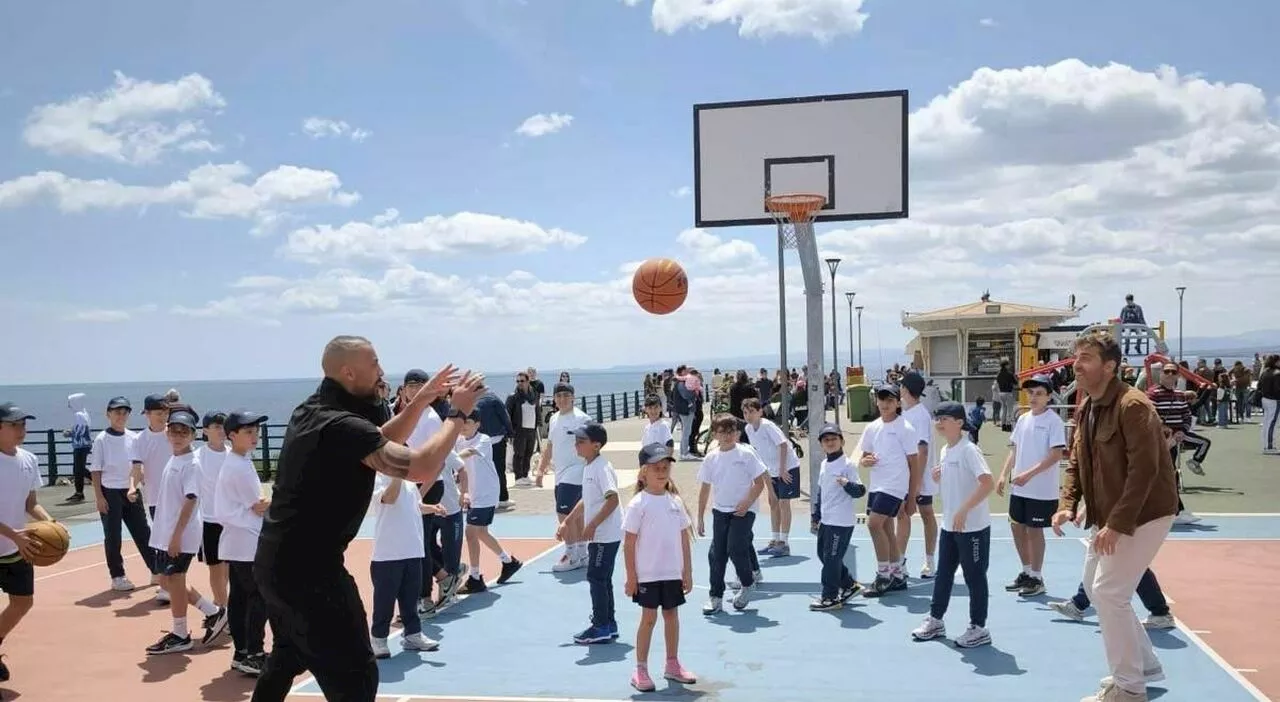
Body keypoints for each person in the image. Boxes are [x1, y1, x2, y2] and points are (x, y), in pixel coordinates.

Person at [249, 337, 482, 702]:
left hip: (276, 563)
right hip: (311, 573)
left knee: (288, 654)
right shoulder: (339, 424)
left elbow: (378, 440)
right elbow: (420, 468)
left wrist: (421, 400)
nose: (381, 371)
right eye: (374, 364)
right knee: (356, 675)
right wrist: (457, 415)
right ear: (348, 372)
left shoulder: (313, 410)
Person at [1052, 329, 1178, 702]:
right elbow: (1077, 462)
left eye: (1086, 358)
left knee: (1109, 593)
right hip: (1110, 512)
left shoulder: (1132, 406)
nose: (1077, 365)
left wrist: (1117, 524)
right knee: (1097, 589)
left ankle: (1129, 688)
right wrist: (1067, 504)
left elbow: (1145, 471)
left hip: (1147, 513)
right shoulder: (1088, 405)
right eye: (1076, 357)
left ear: (1110, 367)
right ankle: (1145, 666)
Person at [910, 401, 994, 648]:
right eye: (937, 418)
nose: (939, 423)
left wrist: (964, 510)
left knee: (974, 577)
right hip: (949, 526)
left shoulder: (969, 450)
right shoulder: (947, 450)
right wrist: (940, 476)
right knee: (943, 575)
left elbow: (987, 483)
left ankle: (979, 628)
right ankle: (936, 620)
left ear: (959, 423)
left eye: (944, 418)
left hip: (973, 528)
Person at [144, 409, 227, 655]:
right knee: (169, 581)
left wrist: (176, 536)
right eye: (174, 431)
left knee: (175, 579)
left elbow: (191, 501)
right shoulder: (175, 458)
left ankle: (180, 634)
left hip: (180, 534)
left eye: (184, 432)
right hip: (166, 532)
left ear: (192, 435)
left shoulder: (191, 464)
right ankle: (214, 613)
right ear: (168, 433)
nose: (178, 436)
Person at [623, 443, 697, 692]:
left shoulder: (674, 501)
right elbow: (629, 543)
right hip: (647, 574)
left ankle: (672, 664)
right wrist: (631, 577)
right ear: (644, 472)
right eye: (656, 467)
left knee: (671, 616)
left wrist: (687, 571)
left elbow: (684, 539)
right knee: (648, 618)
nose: (662, 471)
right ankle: (640, 669)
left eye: (665, 467)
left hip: (671, 574)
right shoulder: (638, 504)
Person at [996, 375, 1066, 597]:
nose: (1034, 397)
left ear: (1048, 397)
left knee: (1034, 531)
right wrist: (1003, 475)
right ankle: (1026, 571)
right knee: (1017, 527)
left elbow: (1056, 455)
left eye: (1039, 393)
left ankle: (1037, 577)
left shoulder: (1054, 422)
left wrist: (1028, 474)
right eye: (1031, 393)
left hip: (1041, 490)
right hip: (1020, 488)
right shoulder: (1023, 419)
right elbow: (1014, 450)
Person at [0, 403, 55, 684]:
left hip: (16, 547)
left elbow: (31, 503)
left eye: (23, 424)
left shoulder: (29, 459)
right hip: (15, 540)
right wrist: (14, 535)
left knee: (22, 602)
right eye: (14, 425)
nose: (21, 430)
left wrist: (50, 523)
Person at [213, 410, 272, 676]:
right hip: (246, 540)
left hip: (237, 541)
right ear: (232, 435)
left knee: (240, 597)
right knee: (259, 597)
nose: (255, 436)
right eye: (248, 431)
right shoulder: (238, 466)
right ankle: (254, 654)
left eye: (256, 431)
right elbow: (259, 506)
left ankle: (242, 652)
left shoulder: (237, 460)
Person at [695, 414, 768, 614]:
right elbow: (704, 489)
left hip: (744, 511)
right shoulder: (711, 457)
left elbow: (759, 483)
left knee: (736, 548)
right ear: (715, 434)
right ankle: (715, 597)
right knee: (717, 555)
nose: (726, 436)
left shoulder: (746, 454)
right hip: (720, 510)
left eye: (730, 432)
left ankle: (747, 583)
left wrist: (746, 502)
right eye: (721, 432)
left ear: (736, 433)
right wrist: (700, 516)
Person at [559, 423, 621, 644]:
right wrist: (568, 521)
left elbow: (612, 499)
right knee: (603, 579)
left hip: (605, 536)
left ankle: (601, 626)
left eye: (581, 441)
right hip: (601, 535)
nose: (576, 445)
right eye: (576, 441)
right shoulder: (590, 467)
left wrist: (592, 525)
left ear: (596, 445)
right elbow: (587, 499)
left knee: (596, 578)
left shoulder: (602, 468)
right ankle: (609, 623)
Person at [90, 396, 157, 592]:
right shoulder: (102, 439)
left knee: (143, 532)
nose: (121, 416)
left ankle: (156, 570)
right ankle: (117, 576)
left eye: (124, 412)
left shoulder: (134, 438)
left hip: (131, 490)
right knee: (113, 536)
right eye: (117, 412)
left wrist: (139, 482)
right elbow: (95, 470)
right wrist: (99, 497)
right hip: (109, 491)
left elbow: (139, 464)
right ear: (108, 414)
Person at [857, 385, 918, 597]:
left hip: (895, 486)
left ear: (898, 403)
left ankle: (883, 576)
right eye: (881, 399)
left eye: (890, 400)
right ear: (876, 402)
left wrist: (912, 496)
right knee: (887, 530)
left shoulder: (906, 428)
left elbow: (915, 464)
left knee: (874, 524)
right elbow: (863, 457)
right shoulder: (872, 427)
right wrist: (866, 461)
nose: (885, 403)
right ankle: (898, 575)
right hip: (877, 485)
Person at [368, 472, 438, 658]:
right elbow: (389, 498)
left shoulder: (409, 482)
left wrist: (432, 508)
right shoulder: (378, 479)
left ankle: (413, 635)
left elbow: (416, 506)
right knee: (384, 602)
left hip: (412, 551)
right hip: (388, 554)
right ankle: (379, 640)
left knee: (410, 600)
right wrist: (397, 476)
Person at [456, 412, 522, 594]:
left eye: (468, 422)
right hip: (474, 493)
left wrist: (449, 458)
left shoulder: (483, 440)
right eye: (462, 422)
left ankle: (475, 578)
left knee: (471, 532)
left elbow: (468, 453)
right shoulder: (459, 440)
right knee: (481, 532)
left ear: (477, 424)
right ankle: (509, 562)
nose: (464, 426)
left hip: (486, 493)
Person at [809, 423, 865, 611]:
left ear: (842, 441)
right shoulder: (825, 464)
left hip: (840, 522)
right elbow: (821, 491)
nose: (830, 442)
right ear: (821, 444)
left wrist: (847, 484)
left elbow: (859, 491)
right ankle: (849, 585)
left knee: (832, 559)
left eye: (834, 439)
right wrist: (815, 515)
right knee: (823, 555)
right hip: (827, 519)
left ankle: (830, 597)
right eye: (826, 440)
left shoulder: (847, 465)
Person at [535, 383, 592, 572]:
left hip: (577, 470)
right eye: (558, 396)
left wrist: (593, 469)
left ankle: (571, 554)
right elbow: (550, 446)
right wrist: (541, 470)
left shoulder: (583, 418)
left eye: (566, 395)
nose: (562, 399)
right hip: (560, 473)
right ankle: (582, 552)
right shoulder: (553, 418)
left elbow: (595, 443)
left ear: (573, 397)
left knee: (564, 513)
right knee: (577, 515)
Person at [741, 398, 800, 558]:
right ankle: (774, 539)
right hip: (771, 470)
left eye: (752, 412)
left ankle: (784, 542)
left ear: (760, 411)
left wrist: (782, 470)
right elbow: (758, 452)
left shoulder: (768, 426)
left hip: (788, 467)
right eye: (745, 412)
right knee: (773, 502)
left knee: (783, 503)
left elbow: (783, 445)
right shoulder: (748, 429)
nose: (748, 415)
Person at [196, 411, 230, 611]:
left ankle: (221, 604)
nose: (221, 431)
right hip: (209, 520)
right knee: (216, 568)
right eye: (216, 427)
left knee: (228, 568)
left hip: (231, 521)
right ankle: (222, 609)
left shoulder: (232, 454)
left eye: (223, 427)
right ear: (205, 431)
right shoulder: (198, 456)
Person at [64, 393, 92, 502]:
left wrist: (69, 433)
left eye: (70, 403)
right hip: (84, 445)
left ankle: (79, 493)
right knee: (79, 468)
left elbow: (80, 430)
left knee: (78, 469)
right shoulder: (84, 414)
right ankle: (96, 482)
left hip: (80, 445)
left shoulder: (78, 415)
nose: (69, 405)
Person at [1258, 354, 1279, 454]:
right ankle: (1269, 447)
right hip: (1274, 400)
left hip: (1265, 399)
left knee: (1266, 422)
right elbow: (1277, 389)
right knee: (1272, 423)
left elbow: (1259, 386)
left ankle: (1265, 444)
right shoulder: (1277, 373)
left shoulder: (1264, 372)